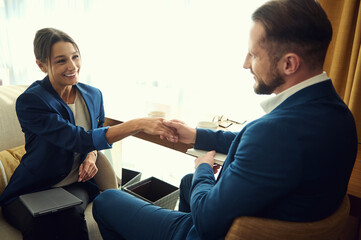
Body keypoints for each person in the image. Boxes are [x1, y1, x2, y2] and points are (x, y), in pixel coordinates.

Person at [92, 0, 358, 239]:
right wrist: (197, 136)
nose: (245, 64)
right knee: (188, 184)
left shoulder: (273, 133)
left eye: (253, 55)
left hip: (212, 232)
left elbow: (207, 222)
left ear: (289, 64)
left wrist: (204, 169)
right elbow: (264, 149)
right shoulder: (338, 115)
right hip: (282, 215)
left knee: (108, 201)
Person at [0, 28, 176, 240]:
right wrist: (136, 124)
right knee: (40, 222)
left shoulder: (93, 95)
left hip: (74, 184)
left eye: (75, 56)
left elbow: (93, 135)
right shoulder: (31, 102)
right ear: (41, 65)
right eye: (61, 61)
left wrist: (91, 155)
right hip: (32, 187)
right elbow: (77, 138)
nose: (72, 66)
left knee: (72, 215)